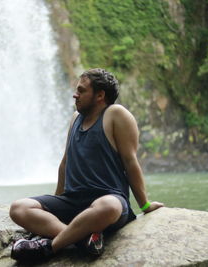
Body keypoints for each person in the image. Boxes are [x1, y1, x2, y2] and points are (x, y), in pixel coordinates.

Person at [9, 68, 163, 262]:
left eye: (81, 91)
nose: (75, 94)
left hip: (109, 200)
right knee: (19, 208)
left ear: (100, 95)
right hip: (72, 201)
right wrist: (53, 205)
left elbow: (130, 162)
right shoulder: (75, 118)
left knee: (108, 206)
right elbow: (65, 163)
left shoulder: (116, 114)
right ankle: (83, 239)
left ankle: (50, 247)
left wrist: (145, 205)